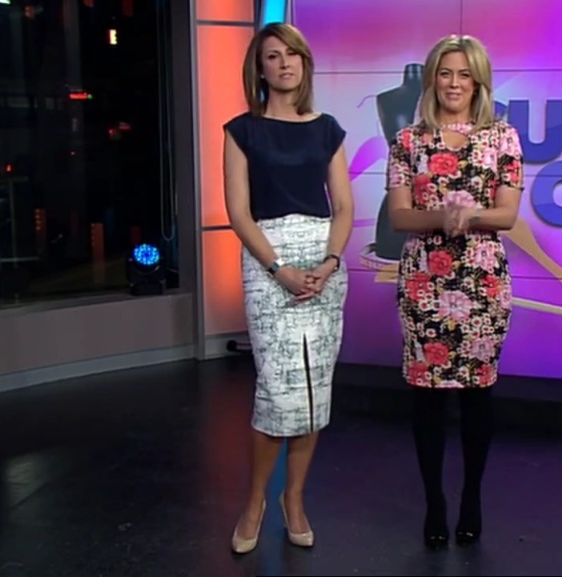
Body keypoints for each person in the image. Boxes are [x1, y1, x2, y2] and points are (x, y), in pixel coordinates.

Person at [385, 34, 524, 549]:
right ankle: (434, 502)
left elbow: (507, 216)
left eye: (465, 74)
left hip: (482, 282)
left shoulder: (503, 138)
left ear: (479, 82)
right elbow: (400, 217)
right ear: (431, 79)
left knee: (477, 394)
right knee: (426, 397)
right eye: (445, 73)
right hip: (424, 280)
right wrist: (442, 217)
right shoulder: (408, 142)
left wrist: (472, 214)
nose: (454, 83)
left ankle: (471, 499)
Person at [224, 22, 353, 554]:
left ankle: (293, 499)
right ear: (259, 68)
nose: (284, 64)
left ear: (305, 63)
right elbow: (238, 213)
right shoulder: (242, 131)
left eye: (292, 54)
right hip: (267, 262)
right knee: (277, 390)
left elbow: (343, 207)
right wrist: (278, 269)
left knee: (314, 389)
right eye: (273, 56)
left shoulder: (327, 129)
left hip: (324, 266)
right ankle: (254, 502)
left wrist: (329, 262)